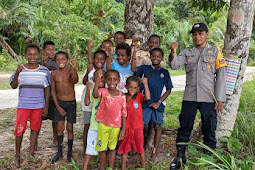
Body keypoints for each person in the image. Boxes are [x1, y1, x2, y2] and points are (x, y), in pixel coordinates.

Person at [168, 23, 227, 170]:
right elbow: (174, 66)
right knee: (184, 128)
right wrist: (173, 52)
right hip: (190, 97)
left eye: (200, 33)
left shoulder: (215, 51)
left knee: (209, 128)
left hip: (209, 97)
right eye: (194, 34)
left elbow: (221, 76)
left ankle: (208, 159)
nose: (197, 37)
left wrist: (220, 99)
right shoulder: (187, 52)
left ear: (207, 34)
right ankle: (180, 157)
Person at [10, 44, 51, 168]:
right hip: (23, 105)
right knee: (19, 130)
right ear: (25, 55)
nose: (32, 57)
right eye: (29, 54)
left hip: (38, 105)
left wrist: (46, 107)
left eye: (35, 54)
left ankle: (31, 154)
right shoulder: (20, 69)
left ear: (39, 55)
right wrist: (17, 73)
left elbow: (47, 90)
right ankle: (17, 155)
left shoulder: (44, 71)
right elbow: (13, 85)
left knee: (35, 129)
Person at [131, 47, 173, 160]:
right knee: (140, 127)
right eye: (153, 55)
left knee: (158, 127)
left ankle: (154, 151)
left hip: (157, 104)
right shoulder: (144, 68)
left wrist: (159, 102)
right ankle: (138, 150)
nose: (155, 58)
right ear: (150, 56)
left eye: (158, 56)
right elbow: (134, 71)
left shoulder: (165, 72)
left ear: (162, 58)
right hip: (145, 103)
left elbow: (169, 90)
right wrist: (134, 51)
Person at [93, 69, 127, 170]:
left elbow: (124, 113)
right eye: (109, 79)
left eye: (115, 79)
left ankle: (110, 167)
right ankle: (102, 167)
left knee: (112, 149)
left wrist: (123, 129)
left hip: (116, 127)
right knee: (102, 149)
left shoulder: (122, 96)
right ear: (106, 81)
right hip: (103, 124)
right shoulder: (103, 91)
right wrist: (97, 80)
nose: (112, 82)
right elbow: (95, 94)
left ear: (119, 81)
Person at [51, 51, 79, 163]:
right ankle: (59, 152)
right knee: (59, 128)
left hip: (71, 103)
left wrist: (75, 67)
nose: (60, 61)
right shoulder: (54, 74)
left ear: (67, 60)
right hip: (60, 103)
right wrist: (57, 106)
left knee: (70, 128)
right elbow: (53, 91)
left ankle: (70, 152)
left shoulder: (70, 71)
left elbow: (75, 80)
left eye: (63, 59)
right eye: (58, 59)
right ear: (55, 61)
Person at [117, 76, 150, 170]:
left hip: (138, 128)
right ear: (126, 86)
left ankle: (143, 167)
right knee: (124, 149)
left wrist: (145, 84)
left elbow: (147, 97)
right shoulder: (123, 97)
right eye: (131, 87)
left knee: (140, 148)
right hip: (126, 128)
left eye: (135, 88)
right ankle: (123, 167)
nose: (133, 89)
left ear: (138, 88)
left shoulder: (139, 96)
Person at [81, 46, 108, 154]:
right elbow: (84, 82)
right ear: (93, 59)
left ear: (105, 60)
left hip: (100, 104)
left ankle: (98, 150)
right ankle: (86, 150)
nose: (99, 61)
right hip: (88, 102)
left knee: (98, 128)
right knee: (87, 126)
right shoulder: (90, 70)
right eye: (97, 58)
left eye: (102, 59)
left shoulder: (106, 72)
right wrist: (88, 72)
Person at [83, 69, 106, 170]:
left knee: (103, 149)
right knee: (89, 148)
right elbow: (87, 103)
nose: (99, 80)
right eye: (97, 78)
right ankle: (85, 167)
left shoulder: (107, 92)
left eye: (102, 78)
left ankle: (102, 167)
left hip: (105, 126)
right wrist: (88, 88)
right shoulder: (94, 92)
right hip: (94, 126)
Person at [38, 40, 58, 145]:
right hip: (41, 96)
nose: (51, 51)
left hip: (54, 95)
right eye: (49, 49)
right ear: (43, 50)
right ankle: (35, 140)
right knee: (38, 119)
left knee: (55, 119)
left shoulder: (57, 63)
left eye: (53, 49)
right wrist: (43, 65)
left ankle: (55, 138)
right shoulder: (38, 63)